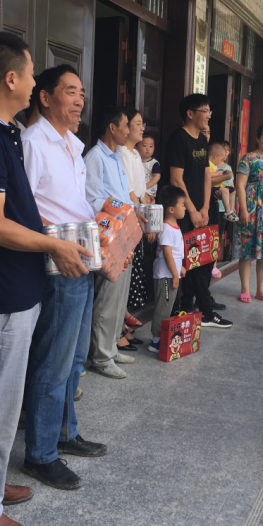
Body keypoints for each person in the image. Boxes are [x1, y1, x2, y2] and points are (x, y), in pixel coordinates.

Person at [0, 32, 89, 526]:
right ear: (11, 78)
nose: (34, 85)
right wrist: (53, 245)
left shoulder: (3, 130)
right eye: (30, 75)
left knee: (4, 402)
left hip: (17, 287)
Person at [21, 64, 107, 491]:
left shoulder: (73, 144)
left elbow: (76, 204)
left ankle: (65, 432)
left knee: (74, 358)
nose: (79, 100)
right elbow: (22, 210)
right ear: (45, 97)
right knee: (53, 361)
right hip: (59, 263)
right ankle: (40, 454)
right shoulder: (33, 142)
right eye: (70, 91)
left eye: (81, 93)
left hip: (84, 257)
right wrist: (59, 242)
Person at [162, 95, 233, 328]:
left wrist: (204, 207)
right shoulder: (178, 139)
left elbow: (206, 176)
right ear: (190, 113)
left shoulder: (202, 140)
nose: (209, 116)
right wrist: (192, 210)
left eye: (209, 111)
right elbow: (176, 179)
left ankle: (195, 308)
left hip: (203, 210)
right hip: (184, 211)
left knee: (204, 260)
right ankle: (197, 310)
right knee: (188, 260)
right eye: (205, 111)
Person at [84, 106, 136, 378]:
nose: (129, 131)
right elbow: (92, 200)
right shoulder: (95, 157)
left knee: (119, 296)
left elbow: (122, 196)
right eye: (126, 125)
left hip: (124, 235)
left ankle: (112, 348)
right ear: (112, 128)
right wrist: (120, 213)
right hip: (109, 237)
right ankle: (101, 357)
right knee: (107, 297)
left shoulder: (116, 157)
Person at [119, 107, 153, 348]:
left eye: (142, 124)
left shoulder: (134, 155)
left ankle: (124, 325)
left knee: (131, 276)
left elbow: (142, 191)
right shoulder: (121, 153)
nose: (142, 128)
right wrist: (141, 210)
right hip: (129, 219)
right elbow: (129, 191)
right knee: (123, 277)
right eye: (138, 123)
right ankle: (120, 327)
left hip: (138, 216)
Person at [235, 123, 263, 303]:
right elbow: (240, 185)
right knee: (247, 249)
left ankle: (261, 289)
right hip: (251, 208)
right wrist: (243, 210)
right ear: (258, 139)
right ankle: (245, 288)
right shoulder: (248, 159)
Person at [147, 186, 187, 353]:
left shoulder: (174, 226)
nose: (185, 208)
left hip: (171, 273)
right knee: (163, 308)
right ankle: (156, 341)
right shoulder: (167, 228)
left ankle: (161, 337)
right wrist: (175, 274)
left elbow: (175, 252)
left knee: (168, 306)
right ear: (171, 209)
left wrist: (180, 267)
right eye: (182, 205)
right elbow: (167, 253)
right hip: (165, 275)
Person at [209, 140, 239, 223]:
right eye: (224, 149)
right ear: (216, 155)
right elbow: (208, 176)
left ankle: (230, 210)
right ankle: (228, 212)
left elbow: (231, 184)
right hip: (214, 195)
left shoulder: (227, 167)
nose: (226, 152)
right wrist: (220, 174)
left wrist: (232, 205)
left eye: (227, 149)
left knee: (232, 190)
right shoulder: (209, 164)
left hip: (222, 197)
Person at [137, 134, 161, 198]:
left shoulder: (154, 163)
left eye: (151, 146)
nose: (148, 149)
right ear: (136, 147)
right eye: (144, 146)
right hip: (137, 189)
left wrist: (146, 186)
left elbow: (157, 176)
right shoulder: (135, 160)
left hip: (149, 191)